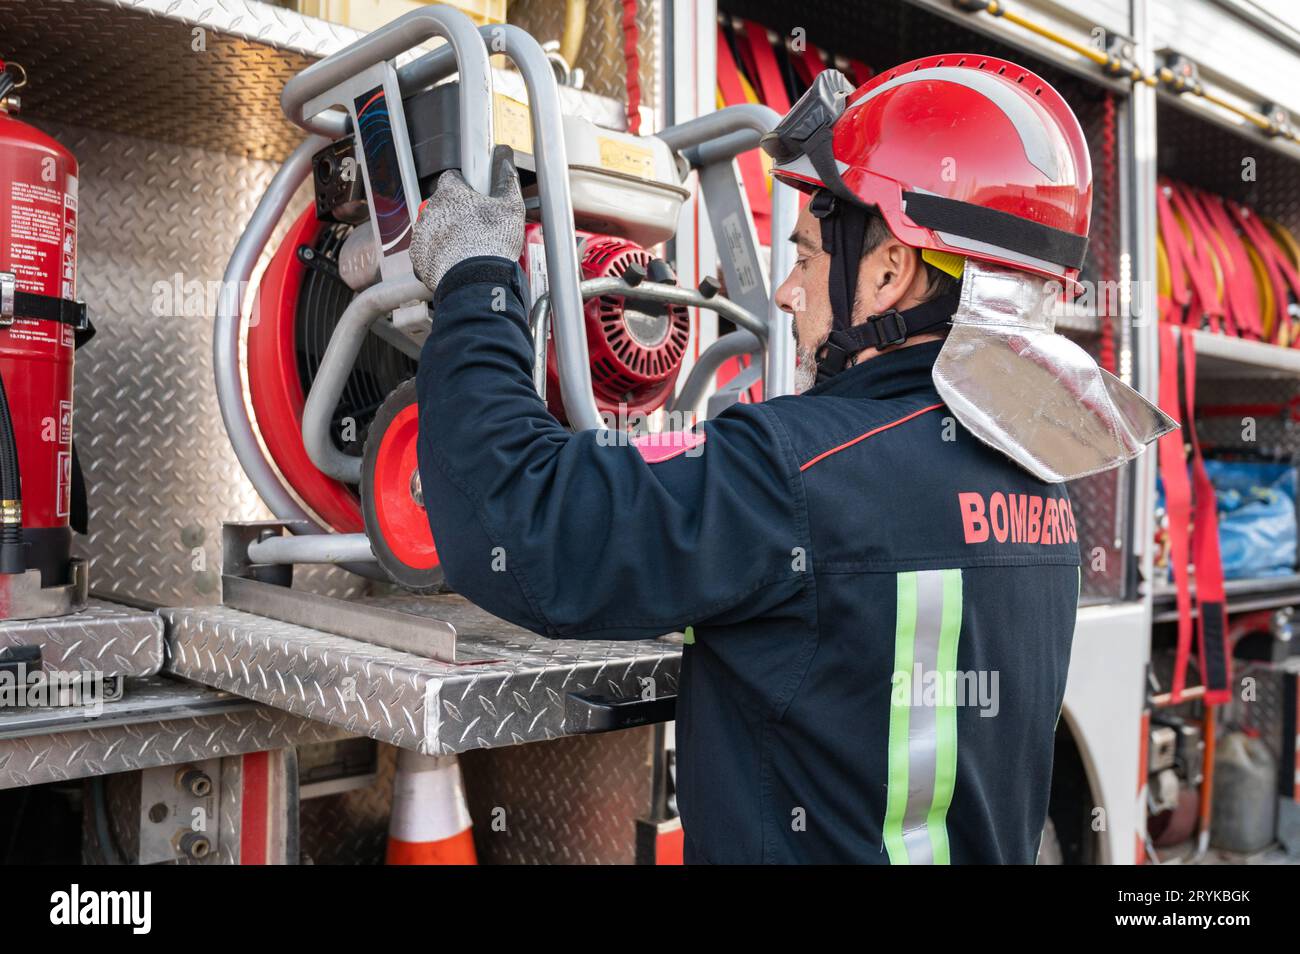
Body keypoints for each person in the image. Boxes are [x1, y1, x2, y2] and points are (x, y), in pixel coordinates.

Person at [407, 54, 1172, 864]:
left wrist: (475, 282)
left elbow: (519, 517)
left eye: (805, 258)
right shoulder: (1044, 485)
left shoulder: (800, 469)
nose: (784, 294)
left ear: (888, 273)